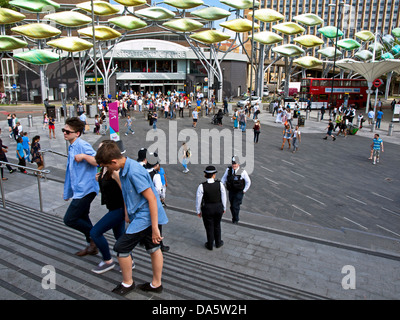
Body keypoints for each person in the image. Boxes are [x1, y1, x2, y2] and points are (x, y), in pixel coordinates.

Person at [94, 140, 168, 295]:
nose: (107, 169)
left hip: (147, 216)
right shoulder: (124, 167)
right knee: (153, 248)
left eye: (107, 166)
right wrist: (127, 212)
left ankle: (128, 283)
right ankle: (156, 285)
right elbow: (127, 192)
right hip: (143, 214)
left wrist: (155, 228)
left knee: (121, 248)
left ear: (113, 161)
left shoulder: (134, 171)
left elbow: (152, 199)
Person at [63, 117, 99, 256]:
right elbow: (71, 173)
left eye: (68, 131)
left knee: (70, 219)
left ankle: (95, 236)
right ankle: (92, 244)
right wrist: (68, 191)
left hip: (87, 189)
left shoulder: (82, 146)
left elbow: (97, 161)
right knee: (83, 216)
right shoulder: (72, 146)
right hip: (80, 189)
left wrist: (84, 156)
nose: (65, 133)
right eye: (64, 130)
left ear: (77, 133)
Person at [90, 143, 126, 274]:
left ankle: (107, 261)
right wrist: (99, 179)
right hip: (112, 207)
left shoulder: (114, 170)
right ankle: (130, 261)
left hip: (119, 209)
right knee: (120, 236)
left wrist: (127, 213)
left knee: (95, 232)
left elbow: (125, 191)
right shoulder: (104, 168)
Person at [196, 166, 227, 251]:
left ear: (205, 175)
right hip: (218, 207)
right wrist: (224, 207)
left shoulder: (202, 186)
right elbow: (224, 197)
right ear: (214, 175)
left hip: (207, 209)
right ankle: (218, 242)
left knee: (209, 226)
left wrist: (198, 211)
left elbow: (198, 200)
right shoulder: (219, 184)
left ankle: (209, 244)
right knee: (217, 225)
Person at [221, 156, 251, 224]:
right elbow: (224, 178)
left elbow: (248, 182)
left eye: (235, 164)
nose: (234, 165)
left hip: (239, 192)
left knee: (235, 205)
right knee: (232, 206)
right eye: (233, 164)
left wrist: (244, 190)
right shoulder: (228, 170)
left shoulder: (242, 172)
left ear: (238, 164)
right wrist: (220, 186)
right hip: (231, 191)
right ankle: (234, 217)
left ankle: (236, 219)